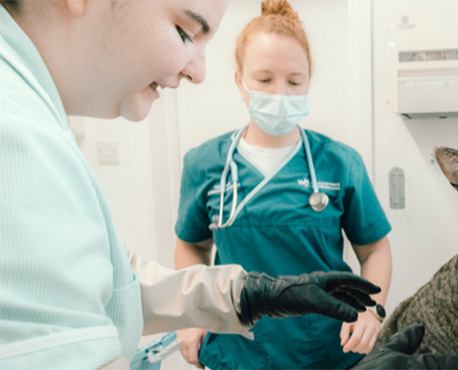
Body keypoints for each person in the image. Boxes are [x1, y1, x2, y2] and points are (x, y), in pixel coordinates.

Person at [0, 0, 380, 368]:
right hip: (241, 354)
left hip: (321, 349)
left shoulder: (37, 125)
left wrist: (252, 295)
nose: (198, 72)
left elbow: (113, 285)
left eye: (294, 80)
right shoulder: (18, 139)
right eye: (184, 32)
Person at [173, 1, 393, 368]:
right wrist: (190, 317)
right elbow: (192, 247)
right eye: (264, 79)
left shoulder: (340, 162)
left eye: (294, 81)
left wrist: (372, 311)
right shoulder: (205, 164)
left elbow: (375, 251)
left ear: (309, 81)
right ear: (239, 81)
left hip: (325, 347)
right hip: (238, 347)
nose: (280, 94)